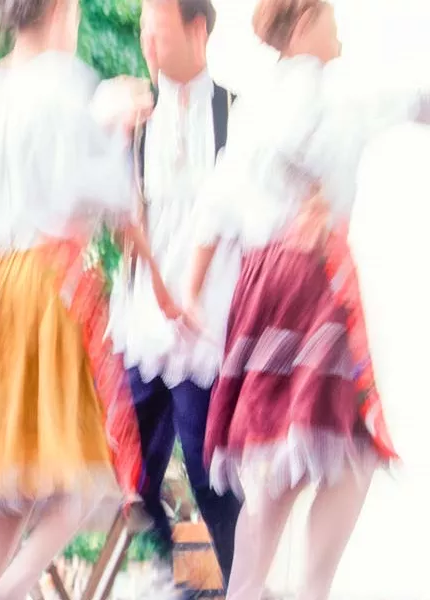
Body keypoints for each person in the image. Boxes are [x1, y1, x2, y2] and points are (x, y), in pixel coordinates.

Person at [0, 0, 188, 595]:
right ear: (61, 9)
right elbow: (118, 207)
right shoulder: (69, 86)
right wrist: (162, 283)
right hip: (49, 289)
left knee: (11, 489)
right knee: (83, 484)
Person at [188, 1, 429, 598]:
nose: (338, 27)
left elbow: (216, 205)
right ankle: (298, 592)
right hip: (308, 281)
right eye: (327, 16)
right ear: (302, 25)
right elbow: (399, 105)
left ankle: (255, 590)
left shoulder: (255, 105)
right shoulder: (317, 91)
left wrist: (192, 293)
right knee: (339, 456)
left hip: (262, 284)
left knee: (291, 457)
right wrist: (308, 190)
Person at [109, 0, 242, 583]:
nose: (147, 46)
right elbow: (121, 216)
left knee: (212, 475)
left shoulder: (236, 114)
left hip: (207, 322)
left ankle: (237, 582)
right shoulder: (136, 124)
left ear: (196, 28)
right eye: (141, 33)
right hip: (143, 319)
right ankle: (173, 568)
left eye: (156, 31)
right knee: (130, 472)